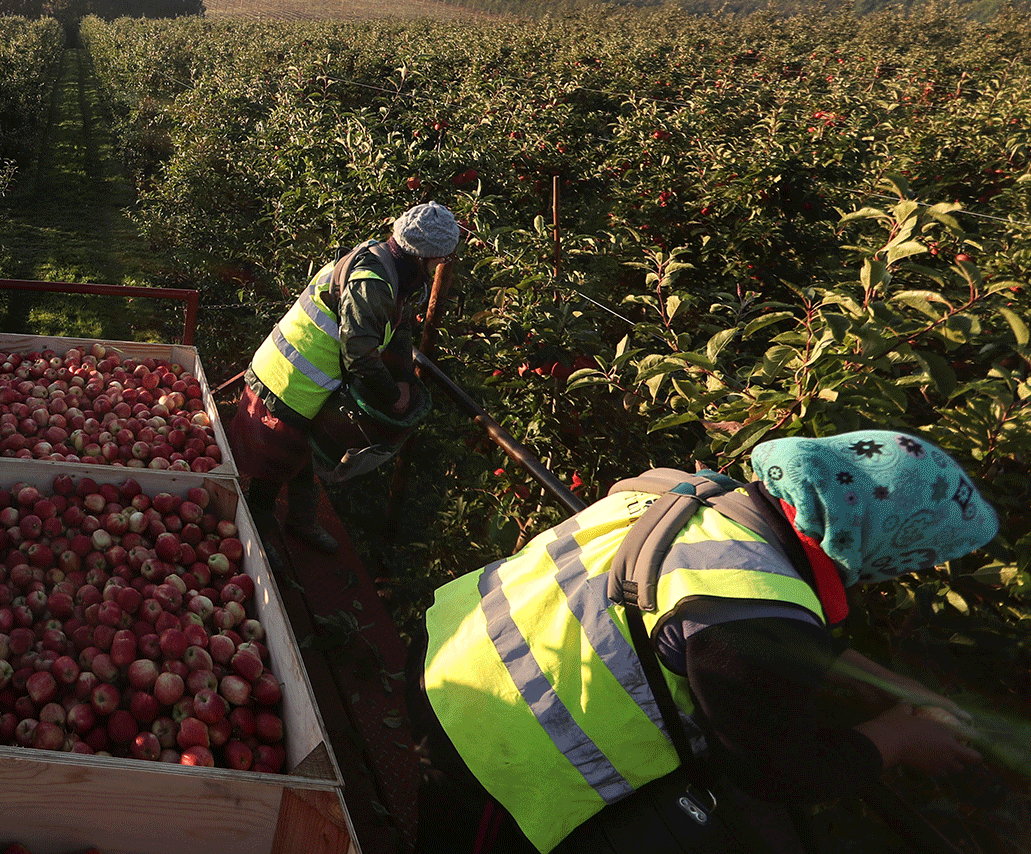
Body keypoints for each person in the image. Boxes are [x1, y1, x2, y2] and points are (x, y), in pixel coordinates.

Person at [414, 430, 996, 854]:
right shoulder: (754, 610)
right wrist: (897, 738)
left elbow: (755, 629)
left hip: (452, 666)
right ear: (883, 545)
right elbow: (773, 768)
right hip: (494, 750)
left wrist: (889, 684)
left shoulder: (688, 495)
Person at [229, 201, 458, 560]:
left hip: (309, 382)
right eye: (442, 259)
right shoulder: (372, 284)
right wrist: (389, 394)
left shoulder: (393, 269)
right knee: (273, 462)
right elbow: (360, 357)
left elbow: (398, 329)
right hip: (288, 380)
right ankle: (257, 535)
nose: (441, 265)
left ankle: (301, 521)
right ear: (425, 256)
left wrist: (403, 377)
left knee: (305, 453)